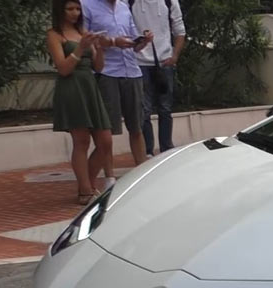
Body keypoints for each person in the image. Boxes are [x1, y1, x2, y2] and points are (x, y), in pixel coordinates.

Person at [46, 0, 113, 204]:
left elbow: (99, 67)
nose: (75, 13)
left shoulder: (84, 31)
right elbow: (63, 68)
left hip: (90, 85)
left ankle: (89, 184)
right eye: (70, 9)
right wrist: (80, 48)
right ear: (61, 10)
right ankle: (85, 191)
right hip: (72, 88)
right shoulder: (54, 35)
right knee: (81, 141)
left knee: (105, 141)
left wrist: (99, 48)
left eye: (77, 9)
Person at [81, 0, 153, 176]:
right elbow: (85, 40)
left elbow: (133, 43)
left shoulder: (123, 7)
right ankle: (109, 177)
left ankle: (142, 173)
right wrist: (113, 42)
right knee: (107, 132)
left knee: (136, 127)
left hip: (131, 71)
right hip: (107, 72)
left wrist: (143, 41)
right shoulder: (86, 6)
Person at [130, 0, 186, 157]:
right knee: (144, 109)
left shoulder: (169, 2)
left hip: (164, 62)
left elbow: (180, 30)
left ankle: (166, 149)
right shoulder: (129, 2)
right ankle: (147, 151)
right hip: (139, 63)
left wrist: (174, 56)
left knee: (165, 108)